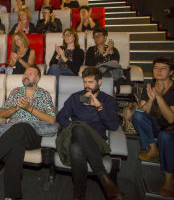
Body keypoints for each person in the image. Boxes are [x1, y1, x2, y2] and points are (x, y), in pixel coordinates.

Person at [0, 66, 56, 199]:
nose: (26, 75)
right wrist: (16, 108)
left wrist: (29, 108)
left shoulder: (44, 94)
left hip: (33, 133)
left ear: (37, 79)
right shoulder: (15, 92)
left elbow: (51, 119)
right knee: (15, 147)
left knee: (20, 127)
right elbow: (2, 114)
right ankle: (12, 196)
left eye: (30, 74)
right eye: (25, 72)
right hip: (12, 133)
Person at [56, 66, 125, 200]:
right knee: (78, 132)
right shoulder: (76, 97)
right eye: (85, 82)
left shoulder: (108, 100)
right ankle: (103, 180)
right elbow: (61, 117)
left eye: (90, 82)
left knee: (77, 144)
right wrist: (72, 127)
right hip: (74, 135)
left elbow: (113, 125)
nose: (87, 85)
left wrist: (98, 106)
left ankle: (79, 193)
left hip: (97, 141)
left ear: (99, 82)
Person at [132, 57, 174, 197]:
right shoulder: (150, 87)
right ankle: (153, 148)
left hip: (171, 129)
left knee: (165, 136)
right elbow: (141, 111)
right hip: (156, 126)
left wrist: (159, 97)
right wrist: (151, 98)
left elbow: (171, 118)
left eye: (163, 68)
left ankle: (168, 181)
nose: (159, 71)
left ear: (171, 72)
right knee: (137, 115)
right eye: (156, 68)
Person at [47, 28, 85, 99]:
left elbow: (76, 69)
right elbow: (51, 65)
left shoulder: (79, 51)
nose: (66, 37)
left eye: (68, 35)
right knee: (54, 67)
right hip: (56, 71)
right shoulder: (60, 48)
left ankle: (57, 100)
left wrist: (64, 57)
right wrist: (58, 55)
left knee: (53, 73)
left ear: (74, 37)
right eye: (64, 35)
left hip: (69, 72)